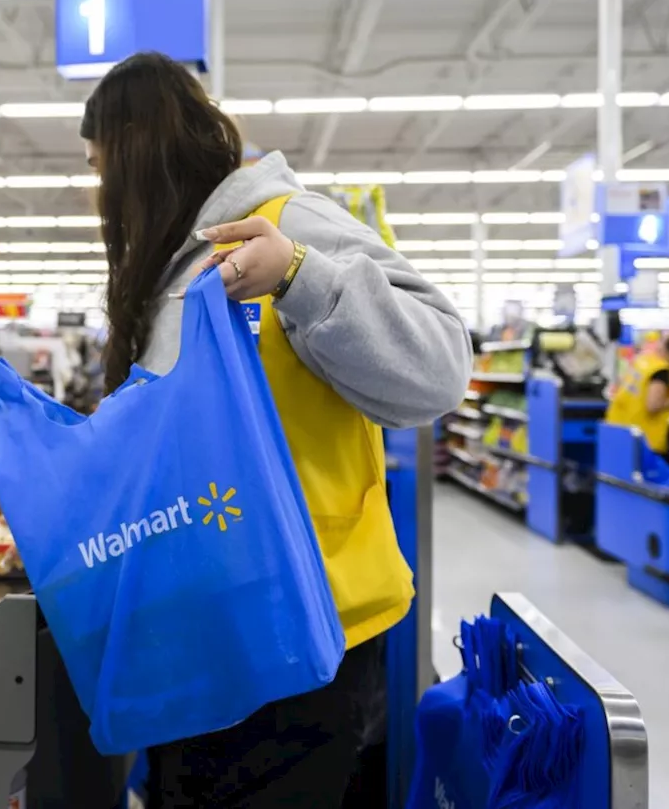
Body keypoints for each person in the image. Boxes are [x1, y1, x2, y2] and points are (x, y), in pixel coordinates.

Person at [79, 53, 473, 808]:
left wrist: (300, 273)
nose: (101, 194)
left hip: (305, 640)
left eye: (101, 169)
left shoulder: (286, 220)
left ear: (133, 152)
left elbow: (440, 364)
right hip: (211, 640)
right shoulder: (172, 271)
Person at [606, 334, 669, 456]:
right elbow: (652, 405)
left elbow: (639, 396)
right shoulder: (661, 371)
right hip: (643, 439)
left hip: (619, 430)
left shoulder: (645, 360)